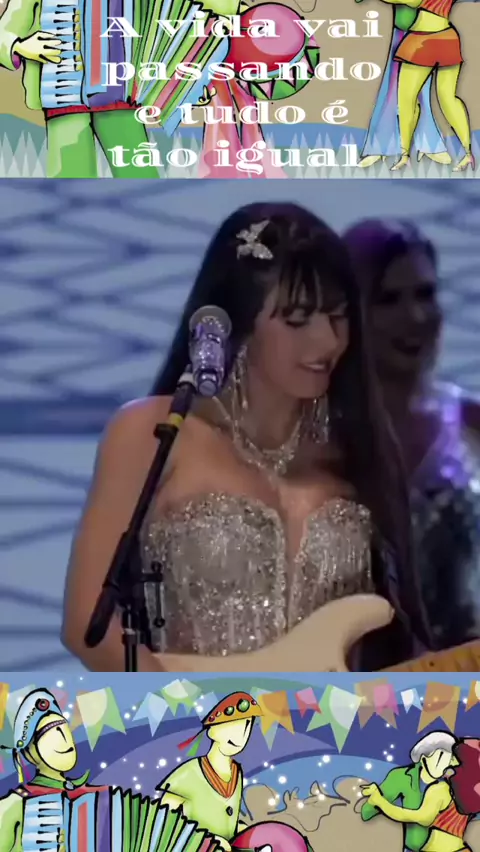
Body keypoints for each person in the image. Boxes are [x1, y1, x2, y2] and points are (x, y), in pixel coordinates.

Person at [62, 201, 430, 673]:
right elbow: (87, 626)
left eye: (338, 316)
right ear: (235, 320)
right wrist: (182, 710)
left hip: (333, 719)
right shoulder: (154, 432)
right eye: (297, 319)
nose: (328, 341)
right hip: (191, 719)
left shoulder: (363, 450)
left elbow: (401, 643)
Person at [344, 218, 480, 651]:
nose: (415, 317)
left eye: (425, 294)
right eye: (389, 300)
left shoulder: (470, 421)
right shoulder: (316, 434)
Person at [373, 0, 473, 172]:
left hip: (421, 41)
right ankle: (468, 153)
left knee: (406, 100)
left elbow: (409, 1)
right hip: (448, 38)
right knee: (448, 99)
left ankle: (405, 155)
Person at [0, 688, 101, 852]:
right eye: (49, 734)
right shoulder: (12, 804)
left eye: (63, 729)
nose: (63, 738)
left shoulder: (94, 798)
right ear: (28, 752)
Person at [157, 692, 259, 851]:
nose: (240, 737)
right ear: (213, 730)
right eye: (232, 727)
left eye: (247, 727)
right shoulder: (188, 773)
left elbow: (228, 823)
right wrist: (204, 839)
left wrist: (245, 832)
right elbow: (161, 824)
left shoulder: (236, 772)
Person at [355, 1, 449, 170]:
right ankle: (380, 147)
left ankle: (429, 144)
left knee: (422, 90)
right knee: (391, 88)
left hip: (428, 32)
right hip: (402, 31)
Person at [361, 735, 480, 852]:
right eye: (441, 756)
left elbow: (420, 817)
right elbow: (367, 812)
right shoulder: (405, 778)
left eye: (452, 759)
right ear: (424, 757)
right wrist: (377, 801)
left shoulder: (446, 789)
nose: (448, 763)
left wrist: (380, 801)